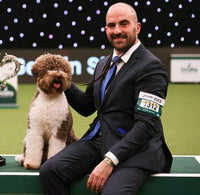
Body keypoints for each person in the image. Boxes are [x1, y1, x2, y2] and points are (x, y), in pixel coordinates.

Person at [39, 2, 172, 195]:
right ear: (106, 29)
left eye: (123, 24)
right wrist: (61, 79)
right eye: (111, 25)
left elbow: (146, 125)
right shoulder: (103, 63)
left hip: (136, 150)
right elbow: (86, 107)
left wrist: (110, 160)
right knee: (50, 171)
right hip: (99, 141)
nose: (117, 30)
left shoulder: (151, 67)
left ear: (137, 27)